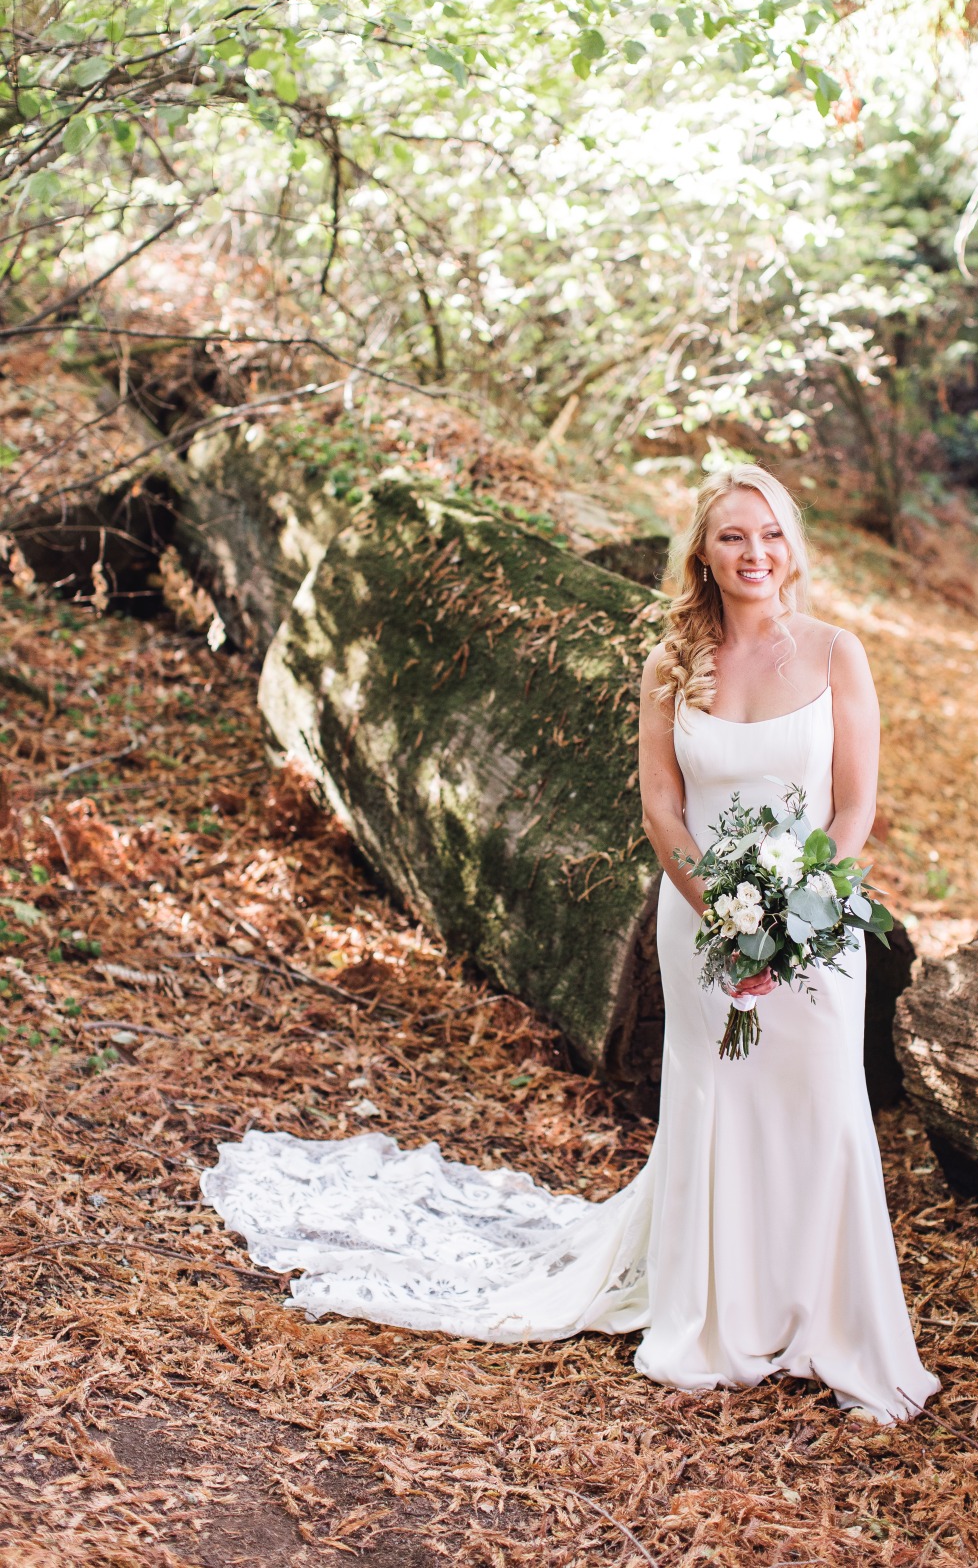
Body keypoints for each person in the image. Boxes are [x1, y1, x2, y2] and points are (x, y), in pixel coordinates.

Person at [201, 464, 939, 1425]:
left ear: (792, 545)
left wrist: (797, 907)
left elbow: (853, 810)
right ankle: (718, 1314)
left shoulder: (839, 655)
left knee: (822, 1105)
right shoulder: (673, 664)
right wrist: (722, 909)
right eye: (731, 538)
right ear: (703, 557)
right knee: (717, 1103)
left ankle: (831, 1322)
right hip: (702, 913)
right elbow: (663, 808)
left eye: (770, 535)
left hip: (816, 921)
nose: (754, 554)